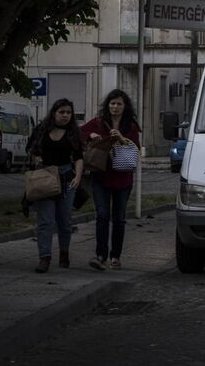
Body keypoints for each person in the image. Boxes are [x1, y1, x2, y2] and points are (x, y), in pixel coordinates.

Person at [80, 89, 141, 271]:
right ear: (108, 105)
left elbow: (135, 148)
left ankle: (116, 256)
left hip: (123, 178)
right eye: (112, 103)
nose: (115, 107)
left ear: (125, 106)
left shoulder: (130, 126)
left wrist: (121, 138)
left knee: (119, 218)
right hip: (102, 176)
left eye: (119, 104)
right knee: (102, 215)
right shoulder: (98, 123)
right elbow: (79, 132)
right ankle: (100, 255)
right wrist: (90, 135)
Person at [27, 99, 84, 273]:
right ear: (54, 113)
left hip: (67, 178)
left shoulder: (73, 133)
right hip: (45, 177)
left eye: (68, 112)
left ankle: (64, 252)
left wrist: (78, 176)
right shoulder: (42, 130)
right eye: (62, 112)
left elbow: (79, 157)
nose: (65, 115)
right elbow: (30, 149)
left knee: (65, 220)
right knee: (45, 221)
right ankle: (44, 257)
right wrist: (36, 158)